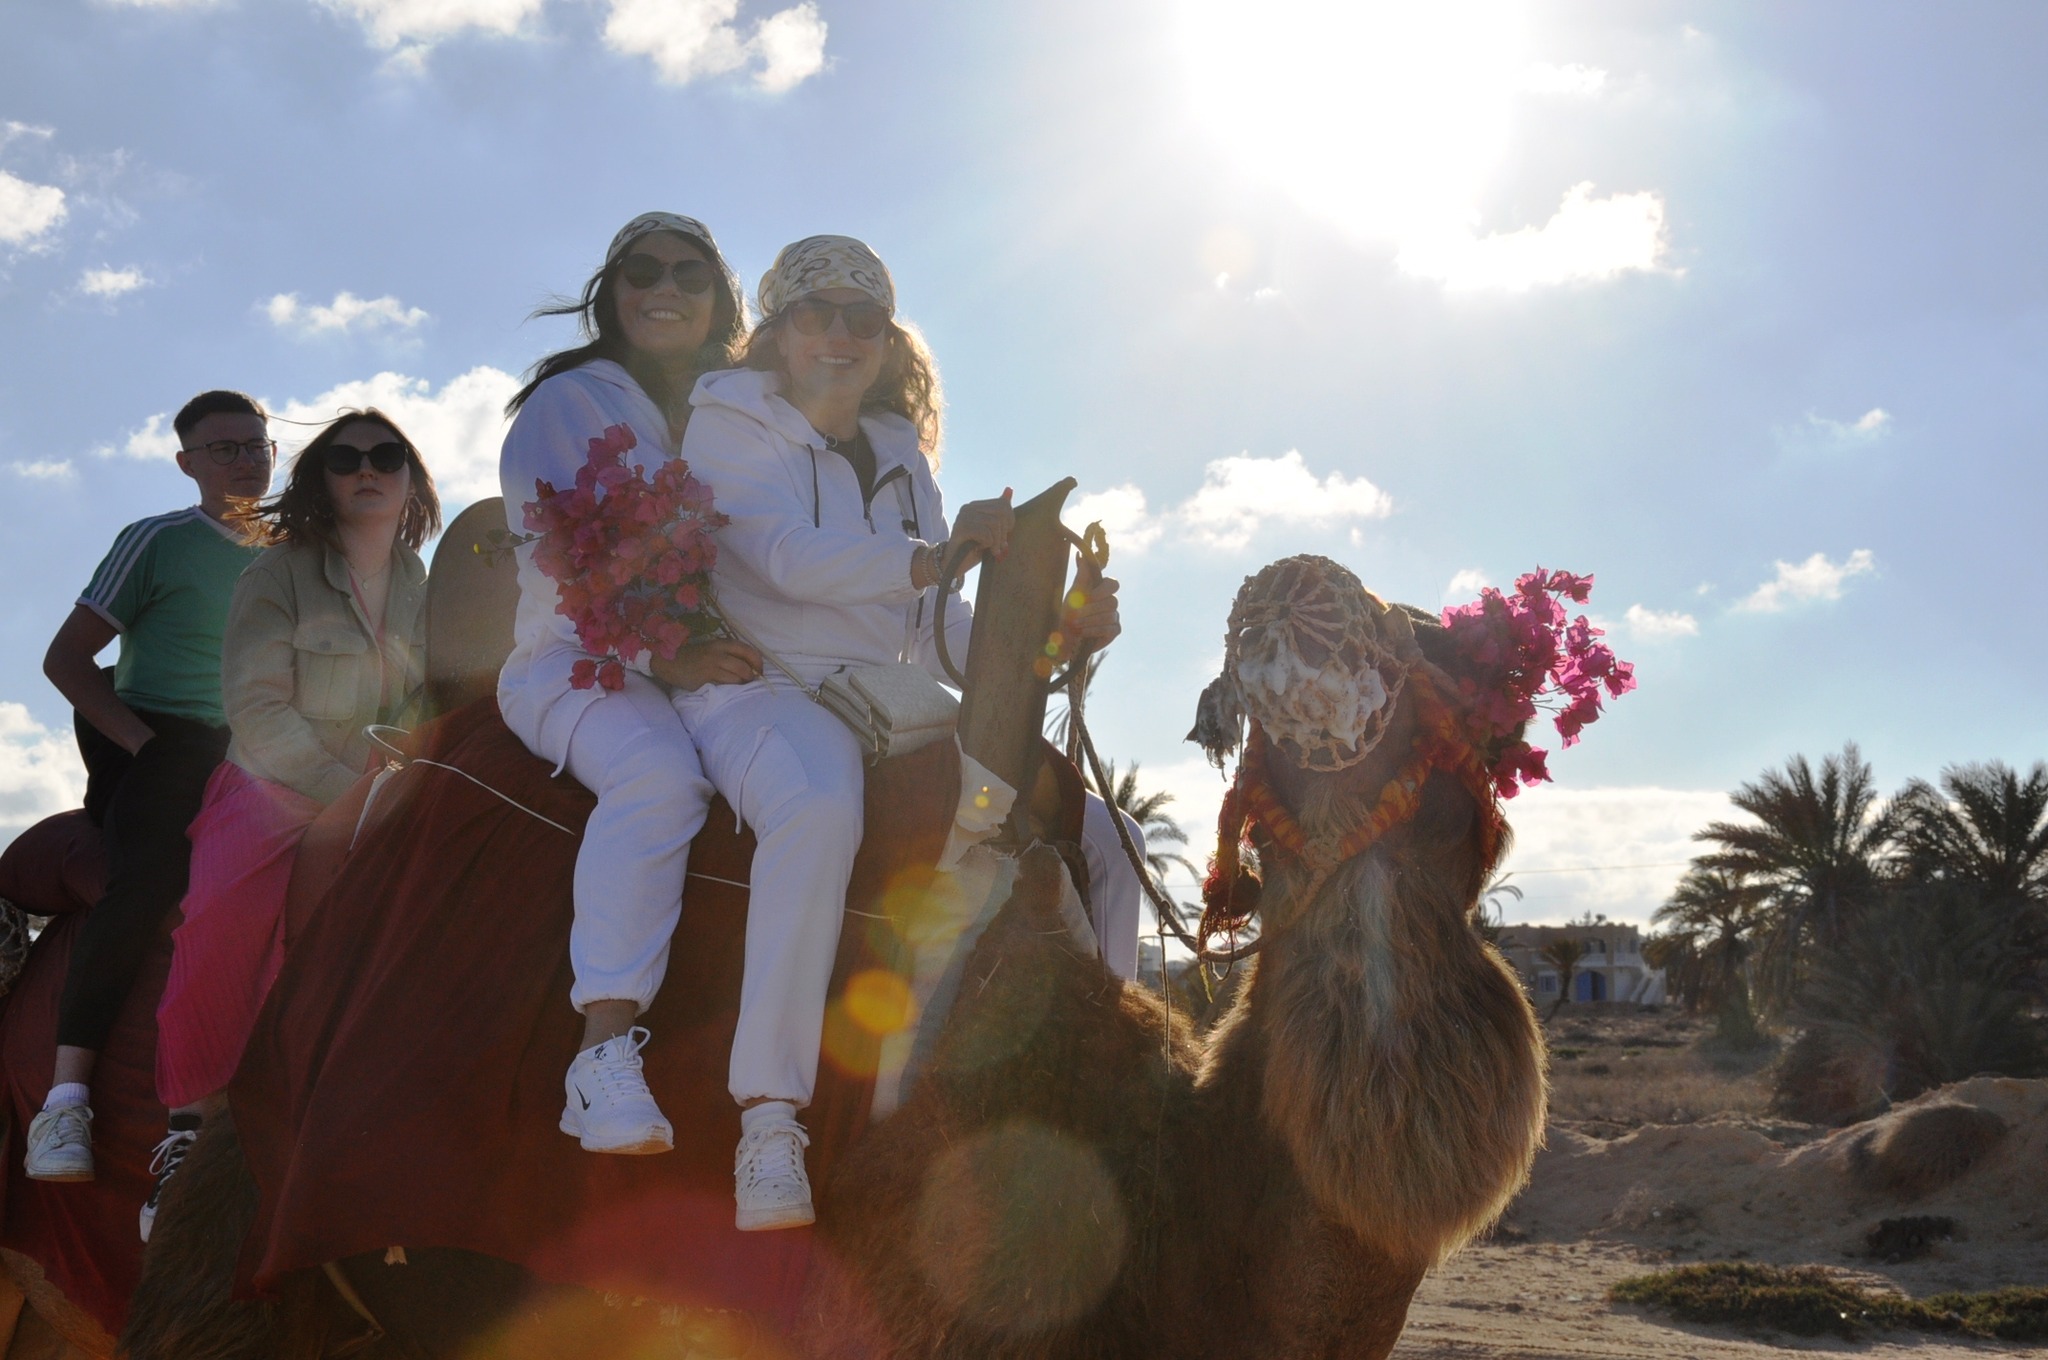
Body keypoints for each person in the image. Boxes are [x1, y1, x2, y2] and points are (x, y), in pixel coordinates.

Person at [676, 235, 1143, 1232]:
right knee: (816, 807)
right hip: (763, 688)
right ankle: (770, 1118)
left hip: (892, 698)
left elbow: (937, 631)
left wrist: (1058, 637)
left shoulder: (899, 450)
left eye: (864, 319)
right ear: (778, 332)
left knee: (1112, 838)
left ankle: (1119, 1094)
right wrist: (934, 558)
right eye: (816, 314)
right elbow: (782, 558)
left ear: (888, 343)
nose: (839, 335)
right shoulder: (725, 420)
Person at [496, 212, 763, 1160]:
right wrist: (669, 659)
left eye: (691, 273)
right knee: (659, 777)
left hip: (707, 667)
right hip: (580, 665)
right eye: (643, 271)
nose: (666, 288)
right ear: (611, 295)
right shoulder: (572, 401)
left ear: (719, 299)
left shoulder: (736, 412)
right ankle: (601, 1053)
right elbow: (569, 552)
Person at [141, 410, 439, 1240]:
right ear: (321, 480)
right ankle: (188, 1126)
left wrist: (402, 785)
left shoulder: (420, 579)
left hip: (383, 787)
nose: (367, 470)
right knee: (221, 920)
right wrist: (347, 793)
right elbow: (257, 707)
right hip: (273, 785)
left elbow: (427, 701)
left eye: (387, 455)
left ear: (410, 477)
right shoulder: (276, 573)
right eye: (346, 459)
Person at [26, 390, 274, 1183]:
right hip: (161, 734)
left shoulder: (297, 551)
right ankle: (64, 1101)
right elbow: (66, 659)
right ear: (186, 463)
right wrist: (143, 746)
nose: (246, 460)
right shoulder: (158, 541)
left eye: (257, 445)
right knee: (147, 885)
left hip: (264, 746)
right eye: (225, 448)